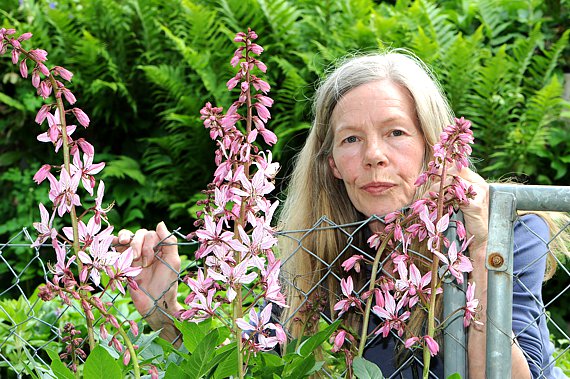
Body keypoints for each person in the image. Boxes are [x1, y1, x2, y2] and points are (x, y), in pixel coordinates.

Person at [115, 51, 567, 378]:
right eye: (350, 139)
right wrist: (166, 315)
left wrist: (484, 245)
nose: (374, 156)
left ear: (433, 146)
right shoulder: (307, 252)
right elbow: (255, 366)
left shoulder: (511, 231)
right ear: (331, 162)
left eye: (396, 132)